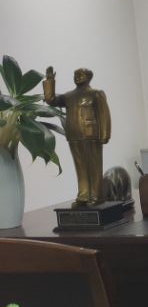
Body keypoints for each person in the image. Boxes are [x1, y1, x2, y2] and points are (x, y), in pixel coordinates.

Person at [43, 67, 111, 206]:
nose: (77, 76)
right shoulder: (69, 96)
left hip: (92, 135)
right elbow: (51, 100)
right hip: (73, 135)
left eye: (80, 74)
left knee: (94, 166)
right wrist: (50, 81)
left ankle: (96, 196)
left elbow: (104, 114)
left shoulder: (96, 94)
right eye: (75, 74)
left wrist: (105, 134)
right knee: (80, 167)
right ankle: (84, 195)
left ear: (89, 77)